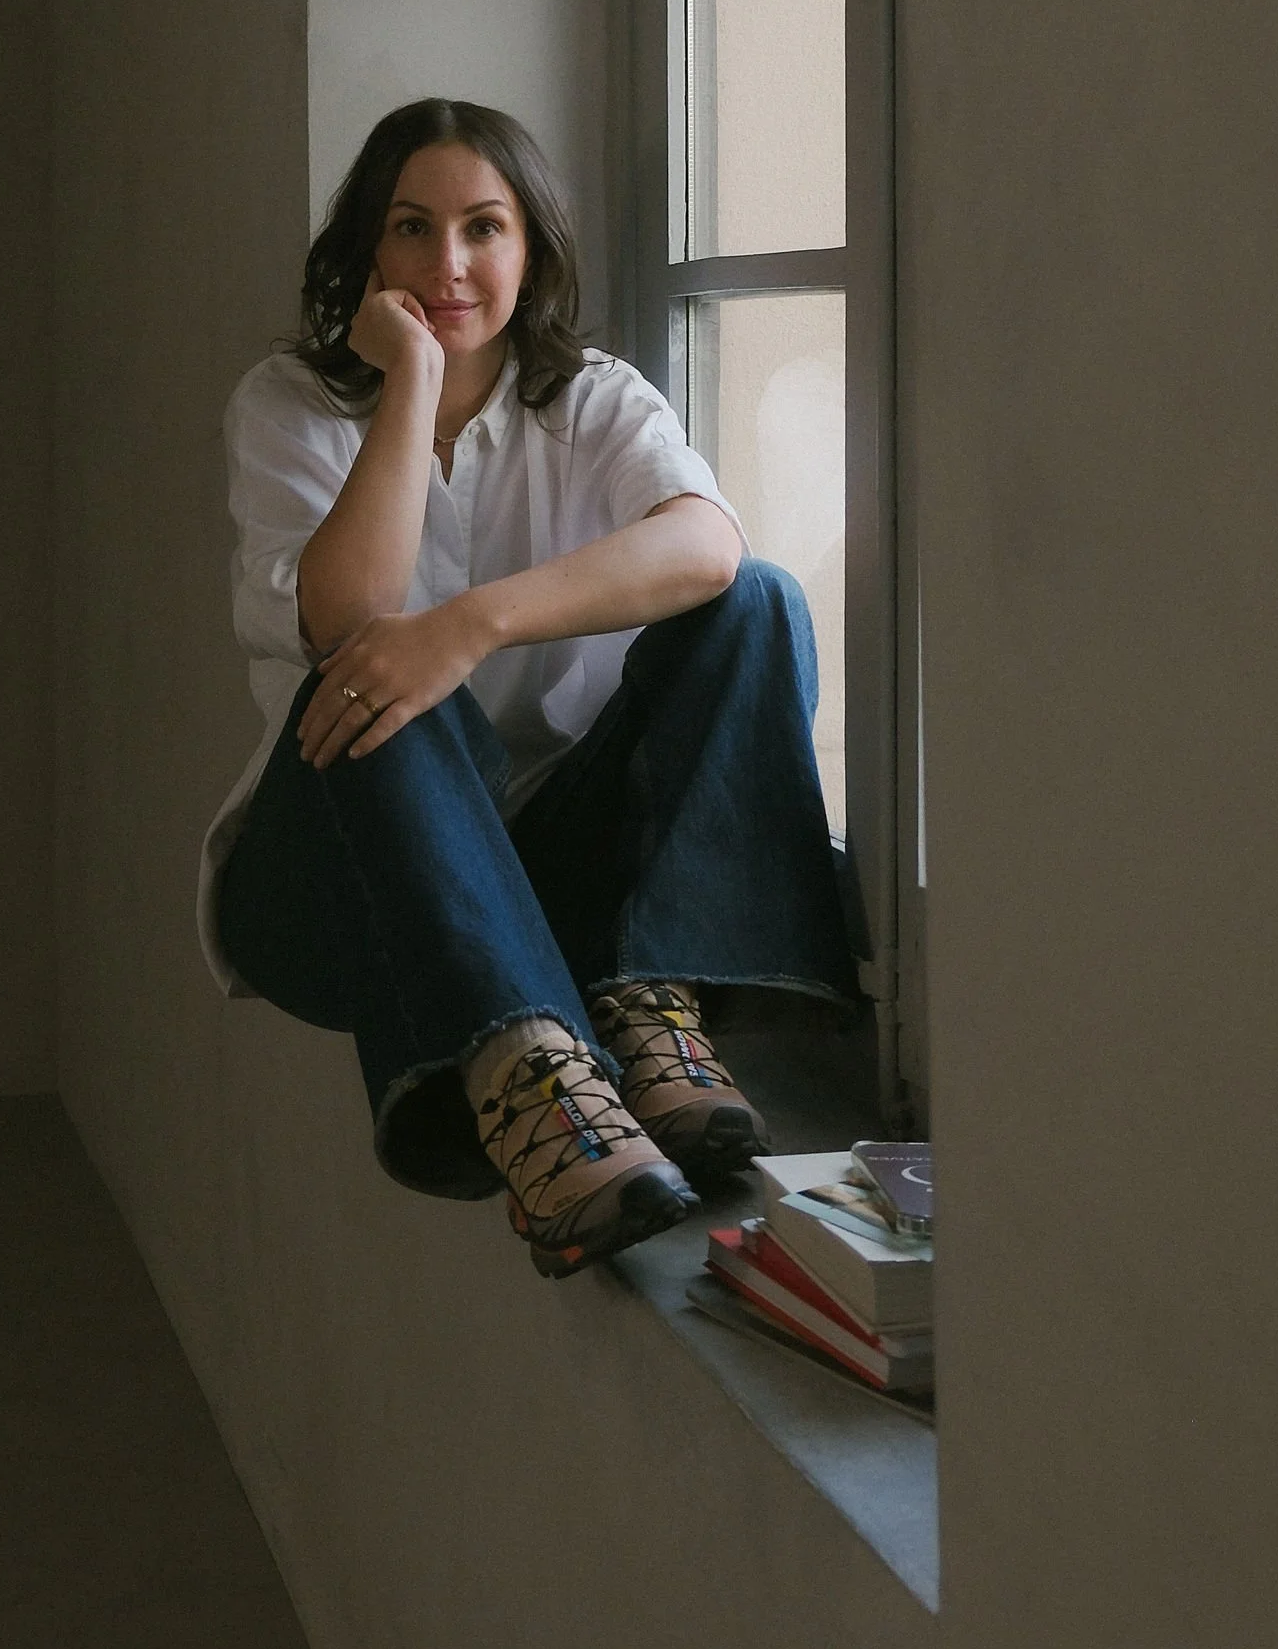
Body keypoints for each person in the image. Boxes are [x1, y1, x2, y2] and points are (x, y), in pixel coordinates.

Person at [206, 95, 861, 1278]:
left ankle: (645, 1005)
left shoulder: (591, 396)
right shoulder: (288, 404)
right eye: (412, 227)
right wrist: (412, 378)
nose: (448, 264)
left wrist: (471, 626)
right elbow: (349, 615)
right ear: (368, 245)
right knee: (378, 679)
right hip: (340, 876)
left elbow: (708, 548)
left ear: (531, 245)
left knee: (756, 600)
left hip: (549, 874)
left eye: (483, 227)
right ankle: (535, 1090)